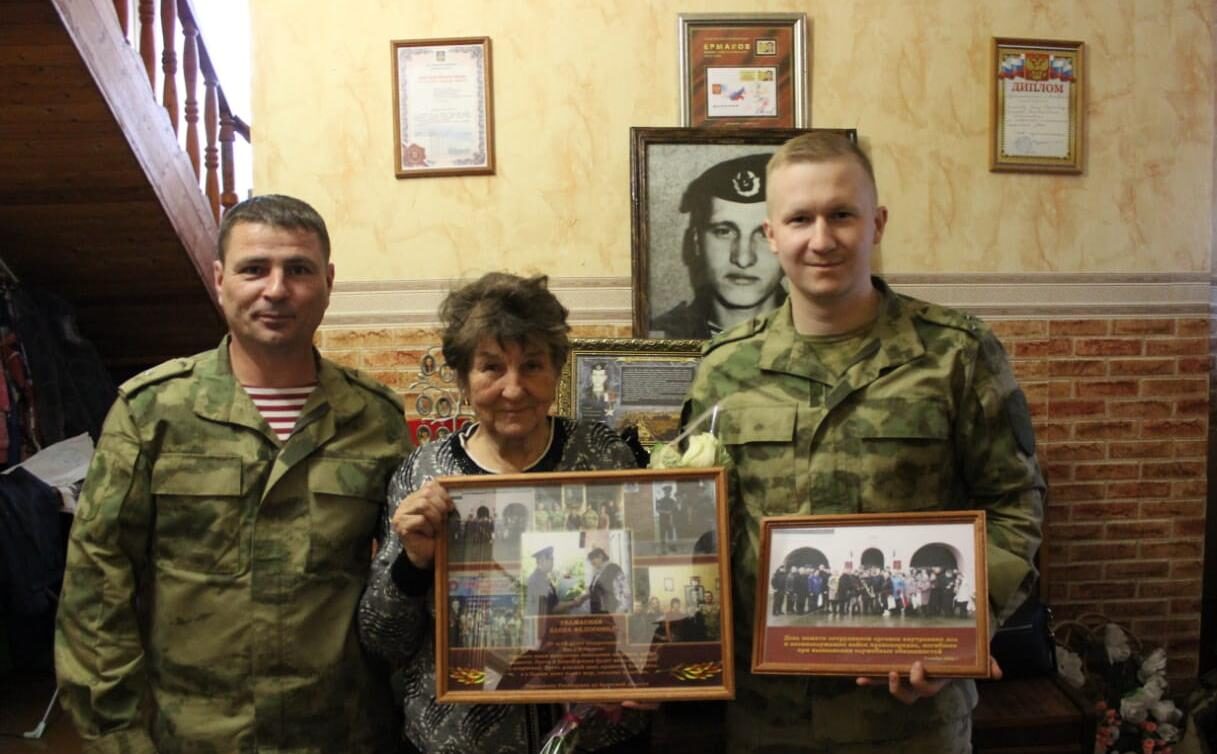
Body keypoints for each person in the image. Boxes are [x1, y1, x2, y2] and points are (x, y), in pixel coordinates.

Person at [681, 131, 1045, 752]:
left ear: (876, 224)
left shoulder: (957, 354)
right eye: (800, 218)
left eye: (842, 215)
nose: (821, 239)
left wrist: (961, 628)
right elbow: (695, 527)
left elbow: (1016, 503)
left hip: (912, 718)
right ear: (773, 235)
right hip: (769, 717)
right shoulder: (724, 368)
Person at [54, 194, 410, 752]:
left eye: (298, 269)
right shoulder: (153, 412)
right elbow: (97, 585)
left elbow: (400, 584)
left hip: (341, 732)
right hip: (193, 736)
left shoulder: (375, 419)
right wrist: (118, 735)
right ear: (220, 280)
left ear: (328, 282)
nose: (276, 289)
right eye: (254, 269)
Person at [356, 272, 647, 753]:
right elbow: (383, 639)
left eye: (532, 365)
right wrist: (413, 563)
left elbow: (643, 594)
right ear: (463, 379)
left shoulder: (603, 455)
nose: (514, 389)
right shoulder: (424, 475)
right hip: (460, 740)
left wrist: (652, 668)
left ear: (556, 371)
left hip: (594, 736)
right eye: (491, 367)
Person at [651, 153, 786, 339]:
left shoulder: (819, 337)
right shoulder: (660, 338)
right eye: (724, 232)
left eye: (764, 234)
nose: (743, 259)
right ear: (696, 242)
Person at [586, 547, 628, 614]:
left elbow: (625, 590)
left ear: (600, 556)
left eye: (592, 559)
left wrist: (620, 610)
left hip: (611, 611)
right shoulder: (597, 573)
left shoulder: (613, 568)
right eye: (590, 560)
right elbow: (594, 591)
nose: (591, 562)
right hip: (598, 612)